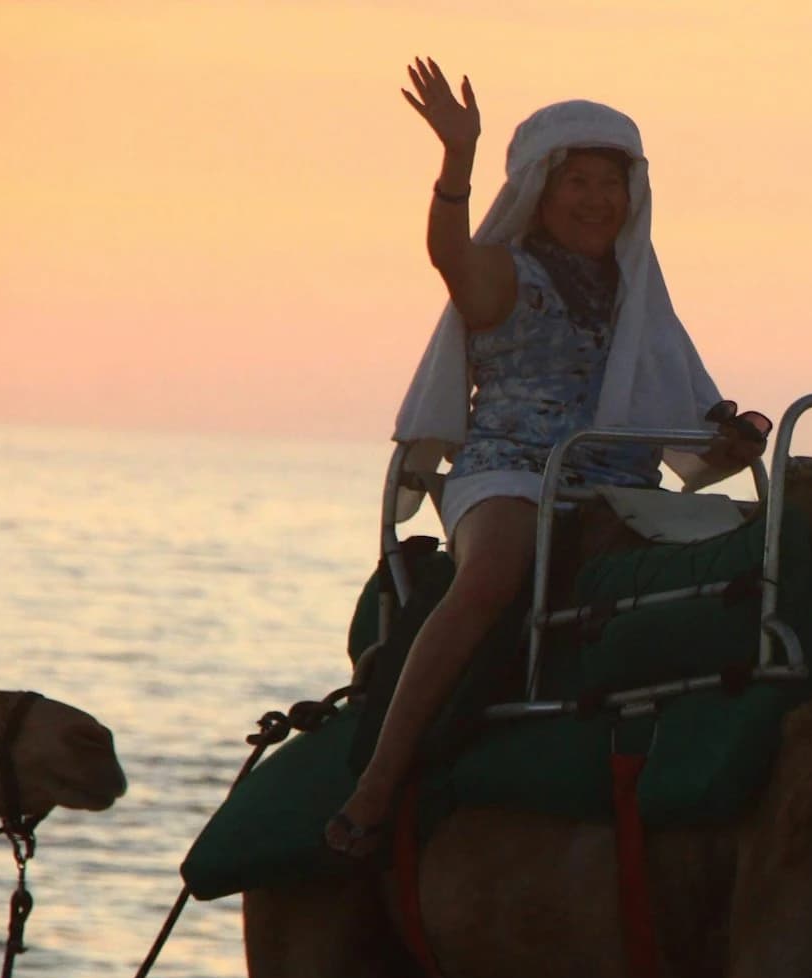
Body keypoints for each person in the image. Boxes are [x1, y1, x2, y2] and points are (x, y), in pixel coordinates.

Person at [326, 59, 769, 856]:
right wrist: (458, 160)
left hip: (615, 485)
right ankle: (379, 781)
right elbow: (449, 256)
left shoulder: (641, 298)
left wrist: (737, 439)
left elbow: (694, 441)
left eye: (614, 181)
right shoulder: (506, 270)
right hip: (509, 470)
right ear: (540, 186)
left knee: (733, 569)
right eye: (580, 180)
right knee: (498, 569)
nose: (599, 199)